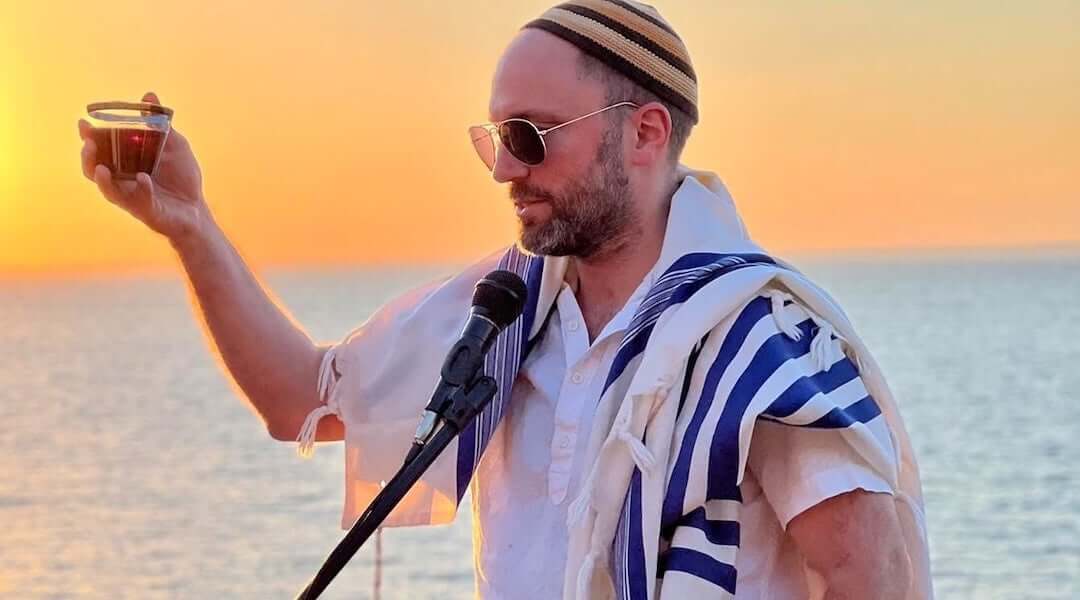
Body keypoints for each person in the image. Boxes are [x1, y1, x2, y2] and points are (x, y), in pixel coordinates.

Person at [77, 2, 932, 598]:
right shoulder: (503, 311)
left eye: (529, 137)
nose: (502, 169)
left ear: (643, 133)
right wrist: (188, 225)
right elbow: (298, 397)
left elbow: (870, 578)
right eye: (492, 137)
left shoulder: (762, 337)